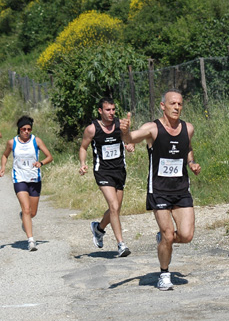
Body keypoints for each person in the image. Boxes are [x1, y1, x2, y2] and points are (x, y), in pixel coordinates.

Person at [121, 89, 201, 291]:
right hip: (159, 190)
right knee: (167, 234)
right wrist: (124, 131)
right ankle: (164, 273)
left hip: (181, 189)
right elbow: (131, 139)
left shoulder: (188, 128)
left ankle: (164, 241)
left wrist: (191, 162)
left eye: (180, 104)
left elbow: (188, 147)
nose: (177, 107)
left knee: (187, 235)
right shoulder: (152, 128)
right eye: (172, 103)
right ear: (163, 106)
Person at [79, 97, 131, 258]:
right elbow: (83, 147)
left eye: (113, 110)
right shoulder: (92, 129)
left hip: (119, 171)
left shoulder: (120, 125)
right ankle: (121, 244)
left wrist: (130, 144)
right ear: (100, 111)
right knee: (114, 206)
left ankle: (99, 229)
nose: (111, 113)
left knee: (116, 209)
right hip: (102, 172)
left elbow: (129, 140)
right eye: (108, 110)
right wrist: (82, 163)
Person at [0, 116, 53, 251]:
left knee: (32, 212)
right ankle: (31, 241)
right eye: (24, 129)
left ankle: (24, 218)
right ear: (19, 130)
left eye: (29, 129)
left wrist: (41, 163)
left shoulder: (36, 141)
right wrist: (3, 167)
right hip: (19, 179)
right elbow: (5, 155)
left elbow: (49, 157)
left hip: (34, 179)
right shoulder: (12, 143)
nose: (26, 131)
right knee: (26, 209)